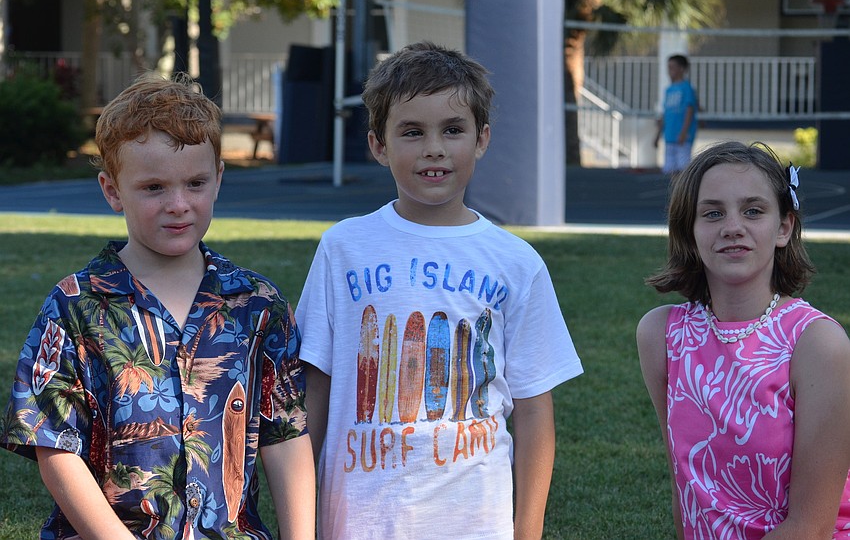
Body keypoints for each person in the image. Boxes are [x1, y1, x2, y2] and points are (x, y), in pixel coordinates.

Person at [0, 73, 314, 539]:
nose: (179, 204)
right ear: (112, 190)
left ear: (219, 179)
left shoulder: (258, 306)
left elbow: (286, 438)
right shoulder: (75, 308)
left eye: (195, 183)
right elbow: (56, 449)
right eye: (153, 188)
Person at [295, 41, 584, 539]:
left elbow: (535, 409)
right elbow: (312, 390)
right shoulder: (343, 247)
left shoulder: (517, 263)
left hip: (474, 520)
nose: (435, 148)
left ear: (482, 139)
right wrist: (299, 519)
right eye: (412, 132)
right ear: (378, 145)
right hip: (360, 520)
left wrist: (528, 530)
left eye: (453, 130)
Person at [636, 140, 850, 539]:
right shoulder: (661, 335)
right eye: (713, 213)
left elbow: (812, 526)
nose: (733, 227)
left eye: (753, 210)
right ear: (690, 230)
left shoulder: (817, 344)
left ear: (783, 227)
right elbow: (685, 486)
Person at [654, 54, 699, 175]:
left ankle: (683, 194)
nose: (669, 71)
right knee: (669, 170)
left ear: (682, 68)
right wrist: (658, 135)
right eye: (668, 67)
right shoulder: (668, 90)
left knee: (683, 170)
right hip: (669, 135)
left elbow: (690, 110)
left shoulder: (687, 88)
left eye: (672, 67)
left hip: (683, 137)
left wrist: (684, 132)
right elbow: (665, 113)